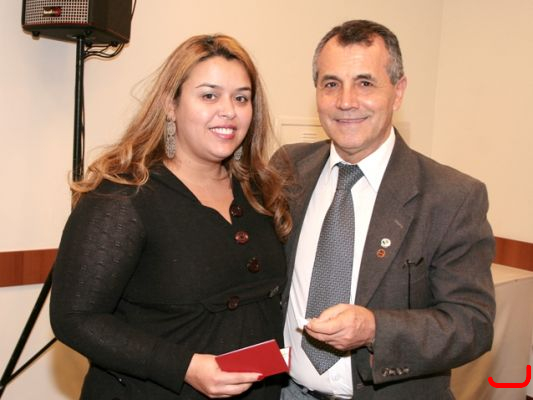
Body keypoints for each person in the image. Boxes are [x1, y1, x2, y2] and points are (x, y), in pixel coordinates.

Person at [50, 34, 292, 400]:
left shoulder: (261, 192)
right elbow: (74, 319)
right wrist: (184, 366)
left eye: (241, 98)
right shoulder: (123, 196)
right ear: (170, 104)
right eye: (209, 95)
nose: (229, 110)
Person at [274, 20, 495, 399]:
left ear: (398, 91)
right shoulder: (287, 168)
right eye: (331, 84)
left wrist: (375, 328)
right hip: (287, 392)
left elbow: (472, 324)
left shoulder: (452, 196)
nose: (346, 101)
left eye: (365, 83)